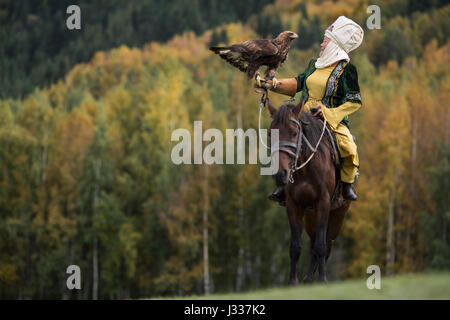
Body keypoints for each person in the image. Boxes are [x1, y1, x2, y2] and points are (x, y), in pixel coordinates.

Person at [258, 16, 364, 205]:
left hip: (331, 119)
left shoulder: (348, 70)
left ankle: (347, 185)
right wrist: (272, 84)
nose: (322, 44)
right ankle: (282, 184)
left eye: (326, 41)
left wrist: (329, 113)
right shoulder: (314, 64)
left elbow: (354, 101)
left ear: (335, 45)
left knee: (349, 147)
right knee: (283, 139)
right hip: (303, 115)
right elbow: (298, 83)